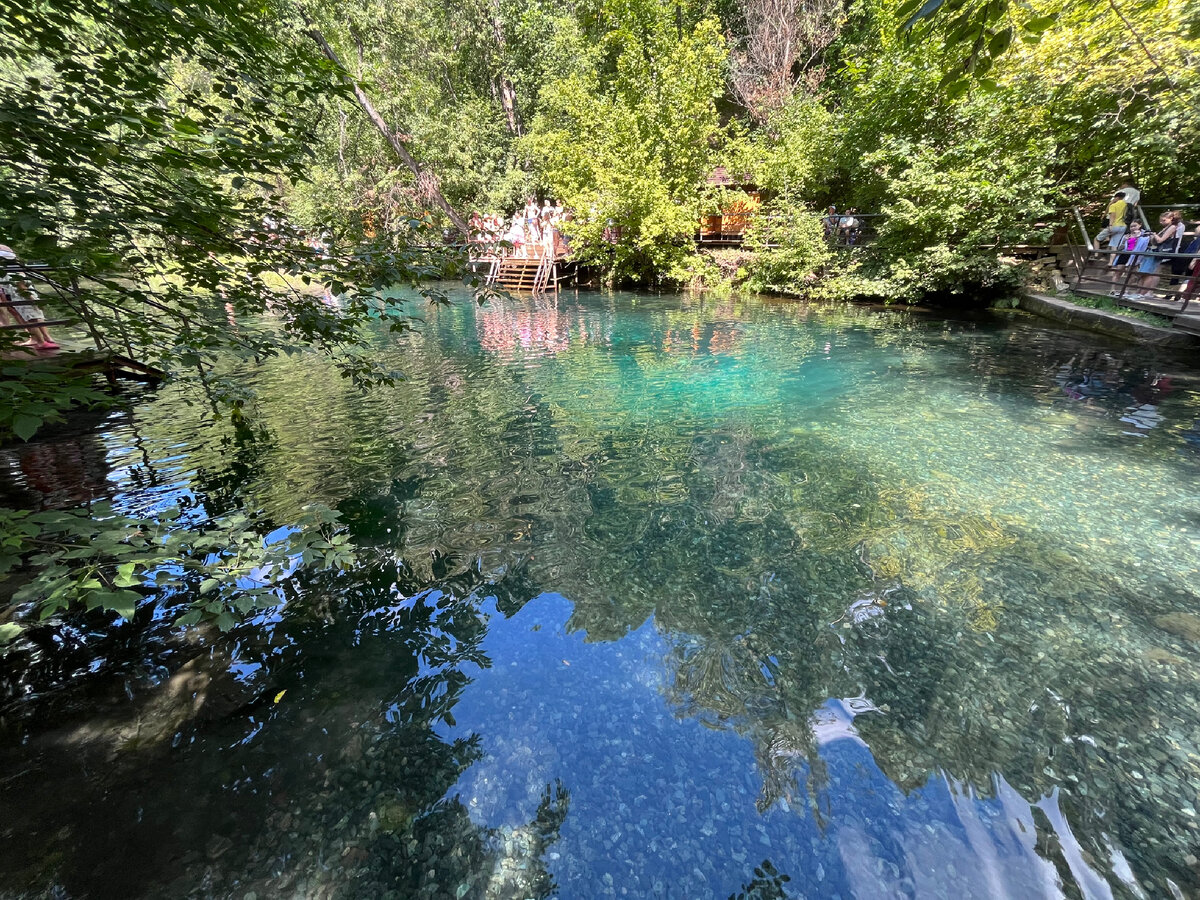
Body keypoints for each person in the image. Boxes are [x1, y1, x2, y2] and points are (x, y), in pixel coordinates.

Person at [1130, 211, 1185, 299]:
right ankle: (1138, 292)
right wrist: (1151, 236)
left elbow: (1160, 240)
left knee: (1148, 273)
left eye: (1163, 220)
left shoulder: (1172, 227)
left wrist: (1154, 234)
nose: (1161, 222)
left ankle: (1142, 294)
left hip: (1157, 252)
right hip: (1152, 250)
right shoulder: (1166, 228)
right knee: (1143, 273)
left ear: (1171, 219)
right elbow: (1155, 241)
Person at [6, 279, 58, 349]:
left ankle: (44, 338)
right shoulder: (14, 273)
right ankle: (41, 342)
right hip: (24, 299)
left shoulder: (20, 272)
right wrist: (34, 300)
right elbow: (22, 289)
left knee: (37, 318)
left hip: (27, 297)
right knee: (32, 320)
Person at [1095, 190, 1128, 255]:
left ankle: (1096, 254)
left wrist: (1110, 225)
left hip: (1115, 225)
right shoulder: (1127, 205)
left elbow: (1112, 216)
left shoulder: (1113, 205)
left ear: (1117, 198)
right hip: (1123, 226)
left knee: (1097, 239)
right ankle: (1111, 262)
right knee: (1114, 244)